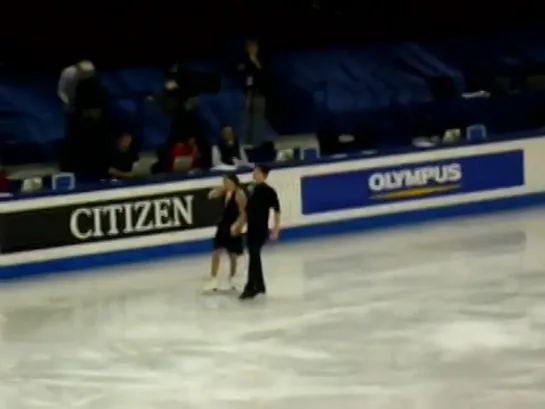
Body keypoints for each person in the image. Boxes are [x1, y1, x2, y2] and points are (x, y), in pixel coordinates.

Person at [240, 164, 281, 300]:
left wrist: (276, 228)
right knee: (254, 256)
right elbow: (247, 210)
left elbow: (277, 210)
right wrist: (239, 224)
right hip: (251, 228)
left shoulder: (269, 191)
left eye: (256, 172)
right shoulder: (251, 189)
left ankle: (251, 287)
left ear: (263, 175)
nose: (254, 174)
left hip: (261, 229)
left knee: (254, 255)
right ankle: (260, 285)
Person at [205, 174, 247, 291]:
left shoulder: (240, 194)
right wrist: (218, 190)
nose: (226, 184)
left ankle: (232, 278)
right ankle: (213, 279)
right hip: (223, 225)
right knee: (216, 251)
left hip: (234, 226)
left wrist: (238, 225)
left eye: (228, 182)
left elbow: (244, 213)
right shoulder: (225, 191)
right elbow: (211, 195)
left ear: (234, 182)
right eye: (225, 182)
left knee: (232, 254)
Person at [240, 38, 270, 147]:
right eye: (250, 47)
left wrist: (255, 61)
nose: (252, 49)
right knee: (247, 119)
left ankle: (257, 143)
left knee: (258, 119)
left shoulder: (262, 61)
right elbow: (245, 77)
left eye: (254, 46)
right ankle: (246, 142)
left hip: (259, 94)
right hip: (247, 94)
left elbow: (264, 74)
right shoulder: (244, 61)